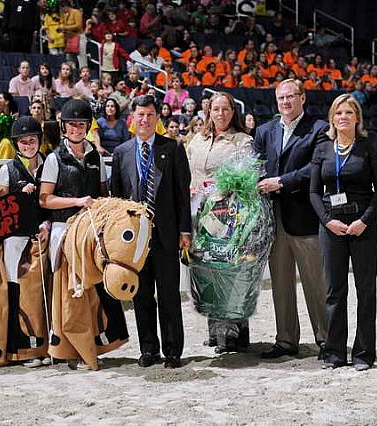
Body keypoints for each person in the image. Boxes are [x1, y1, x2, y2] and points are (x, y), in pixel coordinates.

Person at [39, 99, 121, 370]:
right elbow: (45, 200)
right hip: (65, 231)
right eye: (72, 124)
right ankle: (73, 349)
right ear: (64, 127)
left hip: (90, 232)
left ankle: (98, 343)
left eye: (81, 125)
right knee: (71, 294)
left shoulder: (96, 157)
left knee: (94, 293)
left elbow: (102, 193)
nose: (76, 129)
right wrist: (76, 202)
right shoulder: (53, 158)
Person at [111, 95, 191, 369]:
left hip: (166, 235)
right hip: (134, 241)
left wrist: (185, 231)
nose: (144, 120)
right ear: (132, 118)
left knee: (169, 295)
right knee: (141, 295)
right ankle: (148, 349)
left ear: (157, 117)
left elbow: (182, 194)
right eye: (140, 115)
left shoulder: (173, 148)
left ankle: (172, 351)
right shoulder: (121, 152)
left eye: (149, 115)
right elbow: (117, 200)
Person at [309, 94, 377, 371]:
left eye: (348, 113)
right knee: (334, 291)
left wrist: (364, 220)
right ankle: (334, 353)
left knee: (365, 290)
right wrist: (327, 221)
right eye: (338, 113)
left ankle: (364, 354)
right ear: (332, 118)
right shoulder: (322, 149)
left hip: (363, 226)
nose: (343, 117)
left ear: (357, 118)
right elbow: (314, 192)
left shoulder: (369, 147)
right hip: (332, 226)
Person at [254, 79, 328, 359]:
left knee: (315, 283)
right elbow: (256, 165)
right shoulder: (265, 130)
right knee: (281, 284)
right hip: (274, 221)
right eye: (281, 98)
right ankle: (286, 340)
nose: (285, 102)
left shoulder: (319, 129)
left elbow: (316, 168)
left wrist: (282, 182)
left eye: (290, 97)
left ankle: (326, 339)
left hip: (305, 218)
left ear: (302, 98)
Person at [187, 92, 253, 353]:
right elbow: (188, 171)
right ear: (209, 112)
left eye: (226, 109)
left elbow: (246, 178)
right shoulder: (197, 139)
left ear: (233, 112)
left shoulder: (242, 141)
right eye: (216, 109)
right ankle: (216, 331)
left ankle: (236, 333)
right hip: (199, 217)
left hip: (228, 217)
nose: (221, 114)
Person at [0, 116, 51, 367]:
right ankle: (17, 347)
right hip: (15, 237)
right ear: (16, 144)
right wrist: (19, 196)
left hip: (40, 234)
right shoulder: (8, 169)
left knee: (40, 291)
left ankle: (43, 343)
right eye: (23, 142)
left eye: (32, 140)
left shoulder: (48, 163)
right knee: (16, 288)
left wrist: (47, 224)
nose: (28, 145)